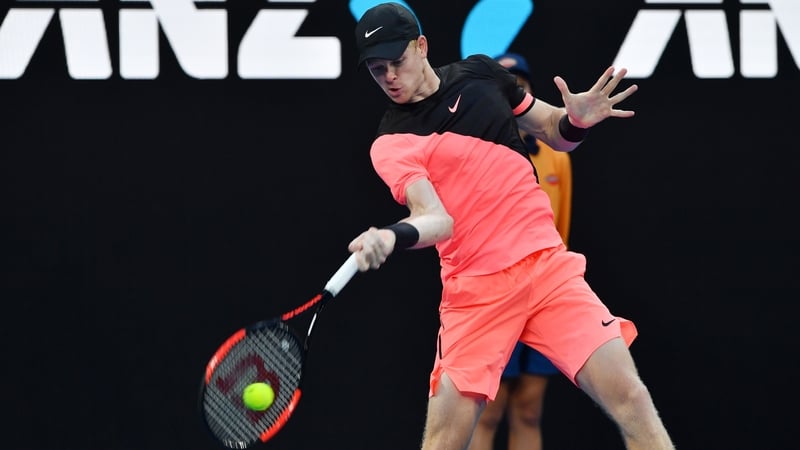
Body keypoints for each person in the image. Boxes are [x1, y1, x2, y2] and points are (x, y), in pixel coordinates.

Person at [348, 3, 675, 450]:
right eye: (376, 69)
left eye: (396, 61)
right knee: (445, 440)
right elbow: (437, 221)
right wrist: (391, 235)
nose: (389, 77)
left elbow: (552, 131)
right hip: (476, 294)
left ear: (421, 46)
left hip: (548, 272)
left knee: (632, 398)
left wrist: (575, 119)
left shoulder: (482, 74)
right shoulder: (391, 142)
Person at [467, 52, 573, 450]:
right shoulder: (473, 147)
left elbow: (560, 224)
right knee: (488, 410)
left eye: (520, 84)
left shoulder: (556, 153)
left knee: (529, 407)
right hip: (495, 293)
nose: (514, 90)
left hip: (544, 292)